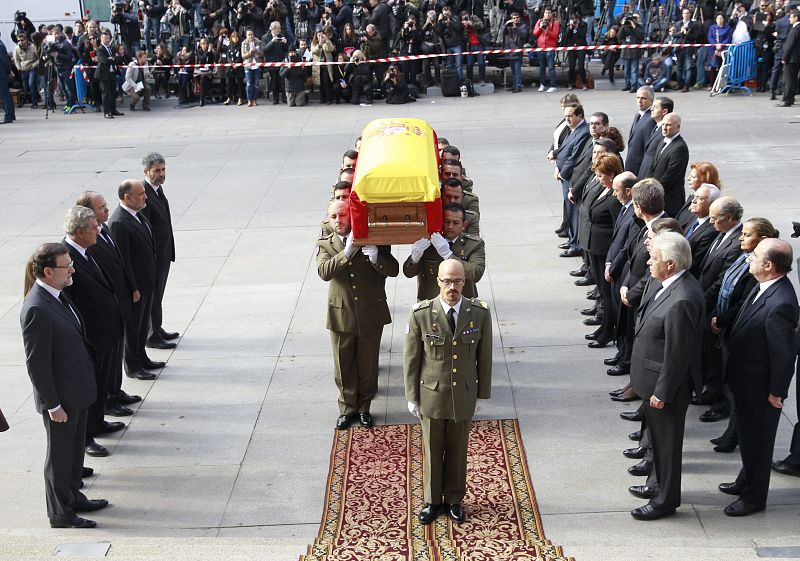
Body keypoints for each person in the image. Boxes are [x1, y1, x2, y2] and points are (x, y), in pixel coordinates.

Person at [20, 243, 107, 528]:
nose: (72, 270)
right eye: (66, 266)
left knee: (73, 453)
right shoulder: (37, 309)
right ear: (48, 272)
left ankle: (73, 497)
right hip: (62, 400)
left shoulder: (57, 296)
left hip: (77, 392)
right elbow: (37, 365)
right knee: (59, 458)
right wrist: (53, 404)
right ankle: (60, 513)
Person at [404, 258, 492, 525]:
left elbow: (484, 356)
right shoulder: (421, 314)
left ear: (465, 282)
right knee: (432, 449)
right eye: (447, 281)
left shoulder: (479, 313)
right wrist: (411, 396)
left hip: (463, 394)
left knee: (458, 449)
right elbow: (411, 359)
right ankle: (433, 501)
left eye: (458, 281)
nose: (452, 287)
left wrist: (481, 394)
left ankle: (454, 499)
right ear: (438, 281)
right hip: (431, 395)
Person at [628, 232, 704, 521]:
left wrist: (662, 391)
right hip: (653, 379)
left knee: (667, 447)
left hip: (665, 386)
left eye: (654, 258)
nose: (649, 262)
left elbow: (677, 353)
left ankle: (665, 501)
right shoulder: (669, 285)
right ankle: (656, 485)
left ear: (670, 264)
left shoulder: (682, 299)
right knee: (658, 444)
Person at [720, 239, 799, 516]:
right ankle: (746, 479)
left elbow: (783, 354)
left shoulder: (782, 303)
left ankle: (754, 497)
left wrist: (777, 392)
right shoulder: (763, 285)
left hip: (760, 387)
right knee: (748, 438)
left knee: (758, 443)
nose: (748, 257)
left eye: (754, 255)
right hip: (745, 380)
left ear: (769, 265)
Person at [316, 200, 399, 430]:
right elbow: (324, 272)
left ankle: (364, 407)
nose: (338, 220)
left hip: (370, 311)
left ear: (352, 216)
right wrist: (347, 252)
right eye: (333, 216)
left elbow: (393, 269)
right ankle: (347, 408)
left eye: (342, 215)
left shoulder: (372, 238)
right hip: (341, 313)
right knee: (343, 364)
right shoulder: (326, 243)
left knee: (367, 364)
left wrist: (376, 258)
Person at [710, 218, 780, 453]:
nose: (741, 237)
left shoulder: (758, 268)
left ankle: (733, 435)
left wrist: (722, 320)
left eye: (747, 235)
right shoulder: (745, 257)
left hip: (738, 330)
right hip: (729, 327)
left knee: (737, 391)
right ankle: (731, 432)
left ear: (763, 240)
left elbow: (742, 302)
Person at [61, 207, 126, 459]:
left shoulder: (87, 251)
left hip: (106, 332)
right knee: (90, 388)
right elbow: (69, 302)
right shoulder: (65, 259)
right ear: (79, 232)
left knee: (101, 383)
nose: (98, 230)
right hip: (91, 337)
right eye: (93, 228)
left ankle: (98, 422)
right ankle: (87, 436)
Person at [75, 191, 142, 417]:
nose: (107, 209)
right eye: (101, 207)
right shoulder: (88, 241)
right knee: (106, 360)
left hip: (118, 303)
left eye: (105, 205)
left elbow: (120, 262)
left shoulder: (103, 230)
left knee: (116, 354)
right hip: (103, 312)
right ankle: (108, 400)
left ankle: (115, 390)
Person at [108, 180, 162, 382]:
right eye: (140, 194)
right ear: (127, 197)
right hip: (136, 288)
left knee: (142, 325)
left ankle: (142, 357)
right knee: (133, 327)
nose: (145, 197)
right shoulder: (119, 222)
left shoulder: (138, 214)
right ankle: (133, 365)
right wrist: (134, 288)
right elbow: (124, 261)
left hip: (147, 283)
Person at [404, 203, 486, 301]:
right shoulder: (430, 242)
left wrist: (449, 255)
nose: (450, 226)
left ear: (463, 225)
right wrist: (414, 259)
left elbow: (476, 274)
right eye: (446, 222)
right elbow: (408, 273)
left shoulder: (473, 244)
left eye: (455, 223)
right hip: (432, 302)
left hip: (462, 302)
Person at [139, 153, 179, 351]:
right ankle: (151, 335)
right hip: (154, 257)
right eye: (157, 171)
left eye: (163, 169)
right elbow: (145, 229)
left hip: (163, 254)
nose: (161, 174)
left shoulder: (157, 189)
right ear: (146, 172)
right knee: (153, 296)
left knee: (159, 295)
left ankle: (157, 327)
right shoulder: (143, 193)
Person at [555, 103, 591, 257]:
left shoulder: (583, 132)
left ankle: (576, 244)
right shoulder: (573, 129)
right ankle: (572, 240)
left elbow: (574, 157)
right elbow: (563, 149)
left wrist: (562, 173)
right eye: (566, 116)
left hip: (570, 177)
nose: (567, 119)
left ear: (580, 116)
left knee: (574, 212)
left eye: (570, 116)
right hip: (565, 176)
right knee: (569, 211)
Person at [647, 113, 689, 217]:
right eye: (663, 124)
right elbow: (653, 166)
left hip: (669, 201)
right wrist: (648, 184)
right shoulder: (662, 141)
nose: (664, 128)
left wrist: (653, 190)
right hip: (656, 196)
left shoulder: (679, 148)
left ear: (678, 127)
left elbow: (671, 176)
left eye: (668, 125)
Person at [684, 184, 722, 277]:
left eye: (699, 198)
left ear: (712, 203)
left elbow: (696, 263)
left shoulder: (712, 230)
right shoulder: (695, 217)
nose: (693, 201)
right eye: (694, 197)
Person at [637, 96, 674, 180]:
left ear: (664, 111)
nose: (651, 109)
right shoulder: (656, 126)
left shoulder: (665, 132)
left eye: (655, 107)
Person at [675, 160, 720, 229]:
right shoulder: (691, 198)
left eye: (693, 177)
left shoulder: (711, 203)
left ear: (704, 180)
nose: (688, 179)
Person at [625, 86, 655, 175]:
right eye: (638, 98)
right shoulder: (637, 116)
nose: (639, 101)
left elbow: (648, 149)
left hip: (639, 169)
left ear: (651, 100)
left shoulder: (651, 120)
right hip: (631, 166)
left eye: (643, 98)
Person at [96, 31, 123, 119]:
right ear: (101, 39)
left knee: (113, 92)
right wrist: (113, 59)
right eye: (105, 39)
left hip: (112, 72)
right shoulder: (100, 49)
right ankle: (106, 112)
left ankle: (113, 110)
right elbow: (104, 60)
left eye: (108, 38)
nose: (107, 40)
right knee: (106, 93)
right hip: (104, 74)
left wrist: (112, 58)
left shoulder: (112, 48)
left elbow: (119, 58)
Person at [262, 21, 289, 104]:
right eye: (278, 29)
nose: (280, 30)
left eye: (280, 28)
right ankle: (275, 99)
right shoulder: (265, 37)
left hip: (281, 62)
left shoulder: (282, 36)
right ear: (273, 29)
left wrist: (285, 43)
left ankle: (285, 98)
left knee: (283, 82)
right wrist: (272, 42)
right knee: (274, 82)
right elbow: (264, 50)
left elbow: (286, 49)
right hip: (272, 63)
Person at [533, 7, 559, 92]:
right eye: (546, 12)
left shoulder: (555, 22)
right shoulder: (539, 21)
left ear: (551, 14)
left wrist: (547, 31)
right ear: (543, 13)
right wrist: (540, 28)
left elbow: (555, 36)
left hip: (550, 47)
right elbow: (534, 34)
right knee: (542, 68)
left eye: (549, 13)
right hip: (540, 47)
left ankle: (553, 85)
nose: (547, 14)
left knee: (551, 67)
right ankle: (542, 84)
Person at [777, 9, 799, 107]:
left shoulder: (796, 29)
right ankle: (791, 98)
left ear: (796, 18)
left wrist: (784, 57)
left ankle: (786, 99)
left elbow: (790, 45)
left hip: (791, 58)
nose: (789, 19)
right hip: (796, 58)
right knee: (793, 79)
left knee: (788, 80)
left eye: (791, 17)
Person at [502, 12, 528, 93]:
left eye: (517, 17)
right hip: (510, 50)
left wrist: (516, 28)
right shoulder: (509, 25)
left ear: (520, 18)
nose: (515, 19)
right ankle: (514, 85)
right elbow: (503, 33)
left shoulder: (523, 26)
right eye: (514, 18)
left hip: (517, 51)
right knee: (513, 71)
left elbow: (524, 35)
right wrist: (506, 25)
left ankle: (518, 86)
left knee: (517, 70)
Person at [242, 28, 262, 107]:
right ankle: (249, 100)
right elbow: (243, 56)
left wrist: (257, 51)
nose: (250, 36)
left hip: (256, 64)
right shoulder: (244, 43)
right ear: (246, 36)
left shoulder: (258, 42)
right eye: (249, 35)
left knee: (256, 83)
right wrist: (250, 52)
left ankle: (254, 99)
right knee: (249, 83)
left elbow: (263, 54)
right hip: (248, 65)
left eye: (251, 34)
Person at [0, 33, 14, 123]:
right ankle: (11, 115)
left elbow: (5, 61)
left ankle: (8, 116)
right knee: (5, 95)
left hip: (1, 74)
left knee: (5, 95)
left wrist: (8, 72)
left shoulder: (0, 46)